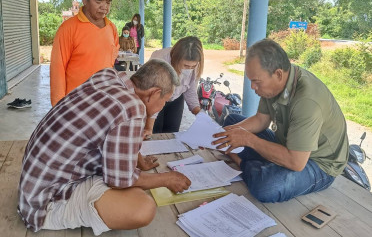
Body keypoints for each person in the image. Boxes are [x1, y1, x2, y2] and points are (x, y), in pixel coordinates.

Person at [18, 59, 191, 235]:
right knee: (143, 207)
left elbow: (109, 127)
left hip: (35, 182)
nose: (162, 107)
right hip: (46, 203)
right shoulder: (132, 108)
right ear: (154, 93)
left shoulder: (108, 76)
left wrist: (139, 161)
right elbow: (119, 181)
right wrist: (167, 179)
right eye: (165, 101)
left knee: (137, 186)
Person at [212, 39, 349, 203]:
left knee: (266, 186)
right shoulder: (275, 85)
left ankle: (241, 162)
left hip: (318, 162)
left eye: (256, 81)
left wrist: (248, 140)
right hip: (287, 144)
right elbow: (261, 120)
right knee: (231, 121)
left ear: (278, 74)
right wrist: (221, 135)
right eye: (251, 81)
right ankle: (262, 165)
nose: (252, 87)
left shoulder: (307, 101)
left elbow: (296, 162)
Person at [50, 0, 119, 106]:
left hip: (103, 103)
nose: (105, 7)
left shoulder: (112, 29)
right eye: (98, 1)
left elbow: (110, 66)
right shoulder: (68, 29)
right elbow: (57, 70)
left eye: (108, 2)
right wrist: (58, 108)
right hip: (75, 105)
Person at [146, 36, 204, 135]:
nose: (189, 69)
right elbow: (155, 97)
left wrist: (199, 113)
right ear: (176, 59)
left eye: (193, 66)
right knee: (154, 133)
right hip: (154, 98)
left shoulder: (196, 64)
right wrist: (148, 128)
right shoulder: (160, 62)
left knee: (172, 133)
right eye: (186, 65)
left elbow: (190, 89)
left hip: (176, 98)